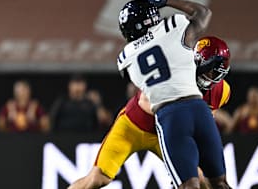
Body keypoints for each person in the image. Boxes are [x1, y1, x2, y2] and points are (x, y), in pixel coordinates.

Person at [67, 35, 232, 189]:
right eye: (208, 68)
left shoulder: (221, 91)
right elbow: (146, 103)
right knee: (97, 178)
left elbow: (200, 124)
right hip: (134, 126)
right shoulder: (174, 71)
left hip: (167, 134)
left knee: (201, 180)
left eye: (215, 71)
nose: (210, 75)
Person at [116, 0, 230, 189]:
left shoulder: (125, 59)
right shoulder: (174, 27)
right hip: (198, 108)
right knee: (219, 183)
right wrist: (166, 1)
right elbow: (203, 13)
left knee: (188, 185)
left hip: (170, 115)